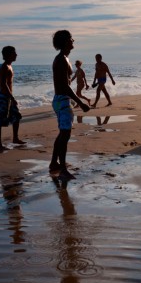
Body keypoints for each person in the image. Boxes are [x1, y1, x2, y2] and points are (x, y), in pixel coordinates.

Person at [49, 30, 91, 180]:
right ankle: (63, 170)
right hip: (62, 100)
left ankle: (54, 163)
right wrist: (81, 102)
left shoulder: (64, 58)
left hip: (62, 99)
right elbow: (64, 86)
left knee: (63, 133)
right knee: (65, 134)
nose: (73, 41)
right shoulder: (61, 59)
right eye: (71, 39)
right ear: (65, 42)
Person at [0, 46, 25, 152]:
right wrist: (12, 98)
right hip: (3, 96)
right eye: (14, 53)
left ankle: (15, 138)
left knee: (16, 115)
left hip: (8, 96)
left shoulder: (9, 66)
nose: (16, 55)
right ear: (8, 54)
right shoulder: (4, 67)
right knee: (0, 120)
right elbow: (3, 84)